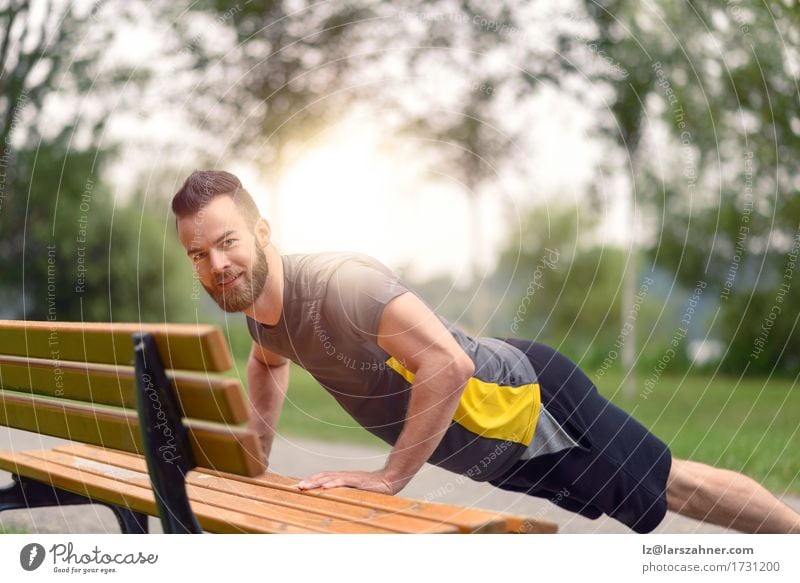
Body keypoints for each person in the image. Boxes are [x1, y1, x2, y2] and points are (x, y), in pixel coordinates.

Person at [172, 169, 800, 534]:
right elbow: (266, 360)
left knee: (673, 483)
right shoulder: (262, 315)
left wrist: (390, 478)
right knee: (646, 498)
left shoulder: (340, 285)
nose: (217, 264)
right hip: (493, 450)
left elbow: (450, 363)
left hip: (527, 404)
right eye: (199, 254)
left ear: (261, 231)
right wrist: (252, 451)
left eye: (227, 242)